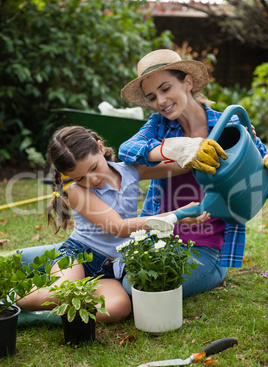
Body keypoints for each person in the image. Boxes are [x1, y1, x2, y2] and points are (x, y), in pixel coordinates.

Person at [16, 125, 210, 321]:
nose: (93, 179)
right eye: (80, 177)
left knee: (119, 307)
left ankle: (42, 315)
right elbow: (120, 228)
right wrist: (176, 216)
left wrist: (199, 153)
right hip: (80, 258)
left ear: (100, 148)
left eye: (94, 168)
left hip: (112, 268)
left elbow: (178, 166)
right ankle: (10, 299)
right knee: (56, 294)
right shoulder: (78, 192)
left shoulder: (130, 170)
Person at [119, 48, 268, 298]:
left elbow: (261, 157)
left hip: (206, 246)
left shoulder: (229, 127)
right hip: (160, 237)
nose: (161, 101)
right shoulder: (158, 125)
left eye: (166, 89)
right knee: (130, 283)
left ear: (187, 82)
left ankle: (213, 272)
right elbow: (127, 149)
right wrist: (175, 148)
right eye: (152, 96)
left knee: (141, 289)